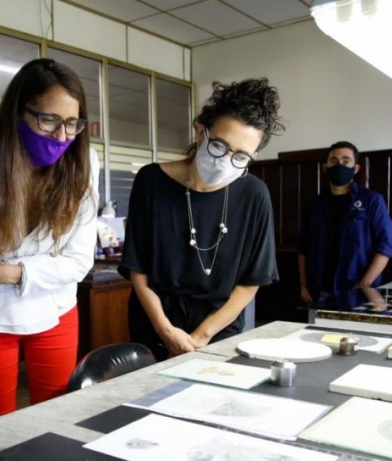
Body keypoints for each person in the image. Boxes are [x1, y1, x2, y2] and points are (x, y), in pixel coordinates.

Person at [0, 58, 99, 421]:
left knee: (55, 416)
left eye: (72, 123)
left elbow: (78, 262)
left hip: (57, 311)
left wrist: (10, 271)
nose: (62, 136)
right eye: (49, 120)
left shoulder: (84, 162)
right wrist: (45, 262)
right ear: (17, 114)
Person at [119, 78, 283, 360]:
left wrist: (201, 336)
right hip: (154, 326)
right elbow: (138, 268)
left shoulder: (254, 195)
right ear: (200, 132)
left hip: (219, 331)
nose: (226, 160)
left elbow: (250, 281)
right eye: (219, 146)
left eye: (241, 156)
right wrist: (165, 330)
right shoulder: (151, 181)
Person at [298, 141, 392, 306]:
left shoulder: (372, 201)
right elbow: (303, 249)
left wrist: (365, 284)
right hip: (320, 291)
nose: (339, 165)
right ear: (325, 167)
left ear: (355, 168)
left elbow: (386, 246)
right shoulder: (314, 205)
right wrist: (303, 285)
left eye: (346, 161)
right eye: (334, 161)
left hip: (358, 291)